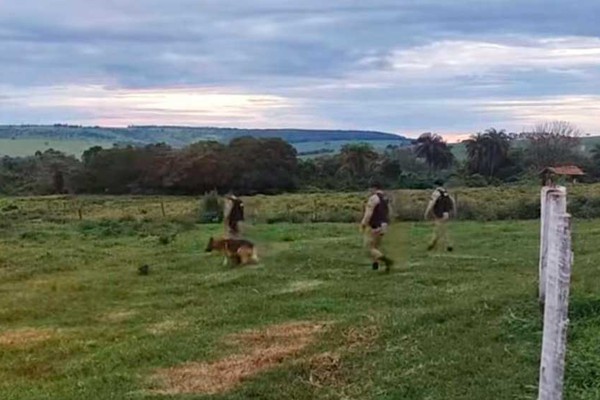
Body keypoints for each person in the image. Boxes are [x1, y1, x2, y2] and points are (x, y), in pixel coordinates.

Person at [360, 181, 394, 271]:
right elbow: (389, 212)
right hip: (384, 225)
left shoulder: (373, 198)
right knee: (376, 246)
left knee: (369, 248)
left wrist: (363, 223)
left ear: (374, 188)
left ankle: (386, 260)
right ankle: (375, 265)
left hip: (375, 225)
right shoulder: (385, 198)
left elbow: (369, 212)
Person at [424, 180, 456, 252]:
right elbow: (452, 201)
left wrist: (427, 212)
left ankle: (448, 244)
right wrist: (453, 211)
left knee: (441, 229)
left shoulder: (436, 193)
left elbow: (432, 202)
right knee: (440, 228)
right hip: (446, 213)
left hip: (439, 213)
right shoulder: (445, 192)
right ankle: (432, 243)